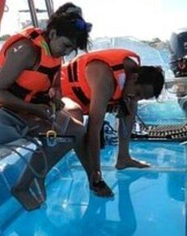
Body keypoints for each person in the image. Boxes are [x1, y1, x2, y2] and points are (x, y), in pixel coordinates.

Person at [0, 2, 92, 209]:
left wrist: (55, 100)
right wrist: (36, 109)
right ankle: (21, 187)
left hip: (24, 110)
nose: (66, 53)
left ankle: (38, 174)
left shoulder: (53, 52)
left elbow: (53, 87)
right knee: (62, 134)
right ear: (54, 33)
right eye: (66, 46)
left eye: (71, 50)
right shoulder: (25, 50)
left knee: (76, 131)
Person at [59, 48, 165, 197]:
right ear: (134, 77)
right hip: (61, 94)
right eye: (139, 93)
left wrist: (126, 101)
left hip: (87, 97)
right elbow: (93, 129)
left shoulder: (132, 75)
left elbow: (129, 96)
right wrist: (97, 173)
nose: (137, 98)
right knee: (78, 121)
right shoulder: (105, 77)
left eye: (142, 98)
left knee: (130, 104)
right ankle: (92, 175)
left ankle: (123, 157)